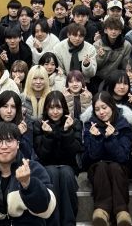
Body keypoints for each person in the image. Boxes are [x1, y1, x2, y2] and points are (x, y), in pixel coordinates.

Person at [82, 91, 132, 226]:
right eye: (97, 109)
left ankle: (121, 212)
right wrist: (97, 138)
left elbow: (123, 157)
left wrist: (111, 138)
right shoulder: (90, 125)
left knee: (115, 167)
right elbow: (91, 157)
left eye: (104, 107)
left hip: (120, 168)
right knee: (101, 166)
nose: (101, 112)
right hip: (97, 168)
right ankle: (101, 211)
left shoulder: (123, 124)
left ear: (112, 106)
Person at [33, 91, 82, 226]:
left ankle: (68, 223)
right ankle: (53, 222)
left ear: (64, 108)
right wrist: (48, 135)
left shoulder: (74, 123)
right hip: (47, 166)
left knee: (66, 173)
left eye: (58, 108)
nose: (55, 112)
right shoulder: (39, 124)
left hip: (69, 166)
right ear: (46, 109)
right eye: (51, 108)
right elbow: (42, 155)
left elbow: (74, 151)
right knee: (52, 172)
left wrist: (67, 131)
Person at [0, 90, 34, 162]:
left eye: (13, 107)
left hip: (19, 165)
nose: (9, 111)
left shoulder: (24, 124)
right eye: (5, 106)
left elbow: (27, 155)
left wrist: (20, 136)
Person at [93, 16, 132, 91]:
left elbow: (124, 66)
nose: (113, 32)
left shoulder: (127, 45)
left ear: (120, 31)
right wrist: (100, 57)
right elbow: (95, 67)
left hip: (117, 79)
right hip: (98, 78)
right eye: (110, 29)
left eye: (116, 29)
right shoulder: (97, 44)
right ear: (105, 30)